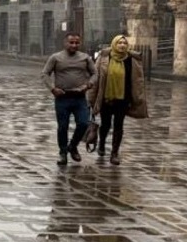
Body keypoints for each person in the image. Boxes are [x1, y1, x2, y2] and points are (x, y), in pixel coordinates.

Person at [88, 34, 148, 165]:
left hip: (123, 98)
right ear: (114, 44)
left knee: (119, 125)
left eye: (125, 43)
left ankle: (114, 153)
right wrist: (91, 98)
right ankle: (102, 144)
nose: (122, 45)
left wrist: (138, 98)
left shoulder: (132, 60)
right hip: (106, 98)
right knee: (105, 124)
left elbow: (137, 80)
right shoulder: (104, 58)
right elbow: (96, 78)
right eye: (120, 43)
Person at [42, 32, 97, 166]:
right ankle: (63, 153)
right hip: (62, 98)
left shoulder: (85, 58)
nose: (74, 45)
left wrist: (88, 84)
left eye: (77, 42)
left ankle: (72, 146)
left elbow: (95, 73)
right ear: (65, 43)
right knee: (63, 127)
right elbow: (45, 74)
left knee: (83, 123)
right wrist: (52, 88)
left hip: (79, 98)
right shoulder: (56, 58)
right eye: (71, 42)